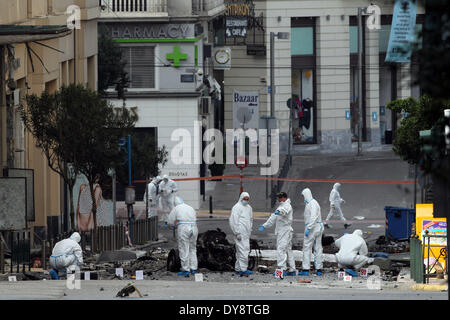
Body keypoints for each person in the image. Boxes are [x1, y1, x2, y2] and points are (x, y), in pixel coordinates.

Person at [258, 192, 297, 276]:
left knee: (281, 249)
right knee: (287, 250)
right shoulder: (281, 206)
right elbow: (273, 218)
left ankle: (281, 270)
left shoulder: (287, 206)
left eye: (280, 198)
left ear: (284, 198)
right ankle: (292, 269)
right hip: (283, 231)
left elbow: (284, 212)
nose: (278, 199)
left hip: (285, 231)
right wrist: (265, 225)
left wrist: (279, 211)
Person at [168, 197, 198, 276]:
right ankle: (193, 268)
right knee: (193, 248)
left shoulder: (176, 208)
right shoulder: (190, 207)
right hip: (194, 227)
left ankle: (186, 269)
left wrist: (172, 226)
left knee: (184, 248)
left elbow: (170, 221)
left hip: (183, 227)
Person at [300, 188, 324, 276]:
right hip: (318, 227)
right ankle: (319, 269)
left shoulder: (312, 204)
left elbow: (313, 217)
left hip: (313, 228)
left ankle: (306, 269)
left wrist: (309, 228)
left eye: (303, 196)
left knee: (307, 248)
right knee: (318, 248)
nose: (303, 198)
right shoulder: (312, 203)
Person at [229, 192, 253, 276]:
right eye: (245, 199)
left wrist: (250, 229)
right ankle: (243, 269)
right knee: (243, 251)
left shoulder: (249, 208)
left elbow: (250, 219)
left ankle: (238, 268)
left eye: (247, 199)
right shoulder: (237, 207)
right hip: (240, 233)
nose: (246, 201)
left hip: (246, 233)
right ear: (241, 198)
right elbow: (233, 221)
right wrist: (237, 232)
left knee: (241, 251)